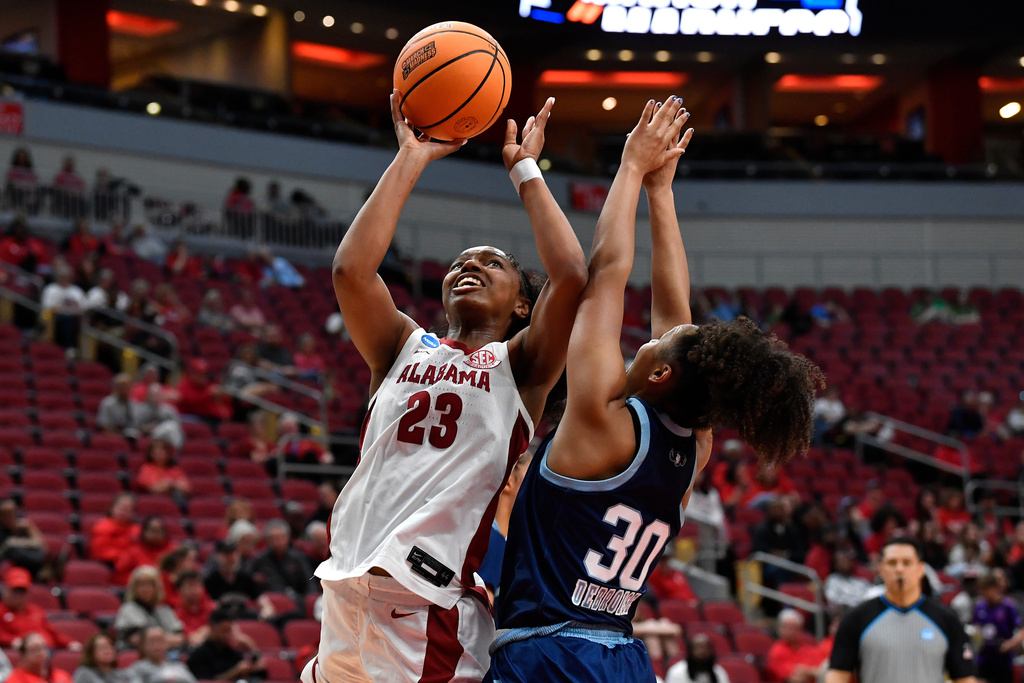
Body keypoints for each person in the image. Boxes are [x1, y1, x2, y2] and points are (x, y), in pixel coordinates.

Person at [485, 99, 821, 683]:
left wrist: (629, 169)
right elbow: (675, 318)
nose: (651, 338)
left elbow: (605, 272)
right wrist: (661, 194)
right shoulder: (694, 445)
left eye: (660, 344)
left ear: (662, 373)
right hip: (622, 655)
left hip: (549, 654)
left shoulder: (599, 420)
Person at [302, 93, 588, 683]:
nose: (471, 265)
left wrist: (525, 171)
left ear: (523, 306)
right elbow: (350, 271)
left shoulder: (522, 365)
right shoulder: (402, 345)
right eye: (461, 261)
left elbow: (573, 275)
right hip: (346, 587)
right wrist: (411, 156)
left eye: (493, 263)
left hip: (425, 603)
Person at [825, 537, 977, 683]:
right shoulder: (857, 619)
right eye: (892, 563)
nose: (899, 569)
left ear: (921, 569)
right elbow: (838, 675)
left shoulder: (947, 620)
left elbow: (964, 678)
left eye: (907, 563)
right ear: (881, 569)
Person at [0, 568, 76, 650]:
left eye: (23, 591)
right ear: (6, 591)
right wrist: (12, 641)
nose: (19, 595)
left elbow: (52, 633)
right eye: (15, 591)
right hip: (25, 653)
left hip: (48, 649)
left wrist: (69, 643)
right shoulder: (1, 611)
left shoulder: (35, 610)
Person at [113, 566, 185, 650]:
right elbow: (135, 639)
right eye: (141, 585)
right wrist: (167, 640)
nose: (146, 589)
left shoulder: (164, 610)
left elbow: (180, 638)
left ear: (157, 588)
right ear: (134, 588)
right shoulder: (128, 609)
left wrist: (158, 640)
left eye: (150, 585)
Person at [185, 608, 266, 682]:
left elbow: (261, 673)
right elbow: (206, 681)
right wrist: (234, 672)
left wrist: (249, 644)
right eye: (224, 630)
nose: (227, 635)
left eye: (229, 630)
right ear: (212, 628)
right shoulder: (199, 655)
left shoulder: (231, 653)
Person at [972, 572, 1023, 683]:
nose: (983, 594)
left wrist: (1009, 644)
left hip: (1003, 659)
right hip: (984, 657)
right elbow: (976, 628)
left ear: (994, 588)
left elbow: (1022, 631)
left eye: (985, 590)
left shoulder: (1008, 606)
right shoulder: (979, 606)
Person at [249, 519, 314, 597]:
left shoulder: (298, 558)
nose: (277, 542)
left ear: (287, 538)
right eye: (272, 539)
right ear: (267, 540)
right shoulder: (259, 560)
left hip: (298, 599)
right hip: (272, 600)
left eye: (280, 538)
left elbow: (310, 583)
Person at [764, 609, 822, 683]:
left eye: (794, 628)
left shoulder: (808, 648)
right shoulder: (776, 651)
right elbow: (794, 679)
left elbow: (822, 671)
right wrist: (812, 672)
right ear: (780, 629)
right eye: (787, 628)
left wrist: (807, 671)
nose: (791, 632)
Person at [113, 517, 175, 586]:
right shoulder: (133, 552)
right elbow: (120, 576)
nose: (156, 534)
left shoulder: (172, 552)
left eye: (159, 530)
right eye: (153, 530)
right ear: (144, 532)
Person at [41, 263, 86, 351]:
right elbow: (48, 307)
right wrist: (65, 310)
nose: (65, 279)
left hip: (75, 317)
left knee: (73, 320)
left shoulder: (76, 291)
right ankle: (68, 347)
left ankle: (74, 348)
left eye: (67, 277)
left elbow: (83, 308)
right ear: (58, 277)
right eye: (63, 277)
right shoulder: (51, 289)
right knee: (67, 319)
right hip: (56, 317)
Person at [126, 627, 196, 683]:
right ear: (143, 645)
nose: (157, 646)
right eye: (152, 642)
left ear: (166, 643)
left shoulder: (180, 667)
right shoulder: (137, 670)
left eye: (160, 641)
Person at [0, 498, 46, 576]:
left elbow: (43, 547)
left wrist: (30, 528)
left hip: (32, 563)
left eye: (13, 513)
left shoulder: (25, 527)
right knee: (14, 551)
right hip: (13, 568)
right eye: (6, 514)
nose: (11, 517)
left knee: (39, 553)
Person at [89, 494, 138, 566]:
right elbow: (101, 552)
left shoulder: (137, 529)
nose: (124, 512)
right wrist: (124, 557)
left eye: (128, 509)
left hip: (131, 563)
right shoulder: (102, 527)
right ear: (112, 508)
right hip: (108, 563)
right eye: (121, 508)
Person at [665, 633, 731, 683]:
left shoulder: (719, 672)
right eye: (697, 648)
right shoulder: (677, 672)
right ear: (690, 652)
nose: (702, 652)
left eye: (705, 648)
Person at [7, 633, 72, 683]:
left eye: (43, 648)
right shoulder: (15, 679)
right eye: (34, 649)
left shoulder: (62, 675)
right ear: (23, 655)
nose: (40, 653)